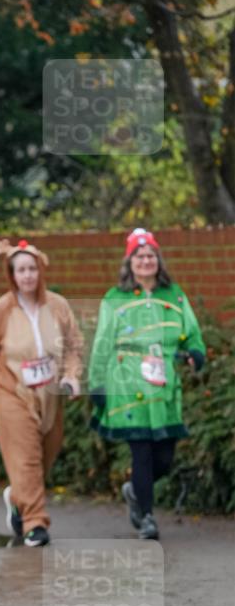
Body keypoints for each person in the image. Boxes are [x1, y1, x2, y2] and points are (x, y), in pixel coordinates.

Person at [0, 236, 83, 547]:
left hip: (50, 394)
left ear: (41, 271)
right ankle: (35, 524)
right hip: (10, 390)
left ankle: (18, 497)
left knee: (45, 455)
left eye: (32, 269)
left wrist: (72, 376)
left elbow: (73, 346)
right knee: (26, 457)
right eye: (20, 270)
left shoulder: (58, 306)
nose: (27, 275)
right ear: (11, 275)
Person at [88, 227, 206, 540]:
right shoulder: (115, 298)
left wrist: (195, 351)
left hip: (165, 386)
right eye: (139, 256)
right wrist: (97, 382)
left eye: (150, 255)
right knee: (140, 451)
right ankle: (148, 518)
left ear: (158, 260)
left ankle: (135, 491)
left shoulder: (174, 294)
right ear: (129, 262)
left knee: (164, 457)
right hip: (127, 385)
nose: (145, 260)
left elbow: (191, 330)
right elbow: (101, 342)